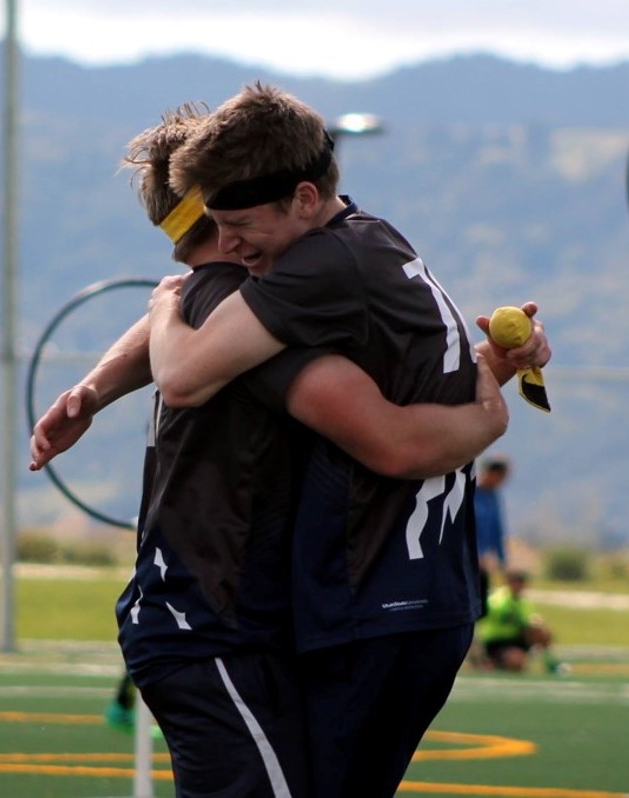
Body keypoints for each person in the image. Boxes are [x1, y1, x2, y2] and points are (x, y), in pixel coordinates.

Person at [30, 104, 510, 798]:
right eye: (229, 226)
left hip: (277, 618)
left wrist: (120, 357)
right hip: (228, 628)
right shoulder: (304, 282)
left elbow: (187, 339)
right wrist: (486, 409)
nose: (244, 243)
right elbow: (394, 439)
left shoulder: (249, 297)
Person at [146, 82, 553, 797]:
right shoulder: (372, 238)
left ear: (303, 200)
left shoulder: (306, 271)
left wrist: (159, 309)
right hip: (415, 596)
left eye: (243, 222)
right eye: (223, 224)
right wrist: (491, 382)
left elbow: (181, 375)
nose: (240, 248)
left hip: (371, 600)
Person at [477, 569, 566, 674]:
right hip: (498, 641)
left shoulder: (524, 603)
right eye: (515, 582)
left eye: (520, 583)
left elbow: (528, 622)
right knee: (516, 661)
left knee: (539, 630)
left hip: (516, 639)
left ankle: (550, 662)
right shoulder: (497, 600)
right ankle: (492, 663)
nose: (518, 586)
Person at [474, 454, 513, 615]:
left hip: (483, 561)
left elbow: (497, 529)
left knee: (481, 606)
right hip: (469, 557)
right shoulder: (471, 493)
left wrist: (502, 560)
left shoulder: (494, 497)